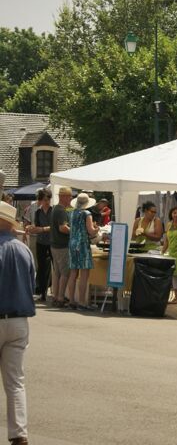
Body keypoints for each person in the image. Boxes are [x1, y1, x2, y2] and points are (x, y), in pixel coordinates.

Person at [0, 200, 36, 445]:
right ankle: (19, 434)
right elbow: (32, 283)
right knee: (15, 382)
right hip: (19, 318)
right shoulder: (24, 250)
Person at [65, 193, 100, 311]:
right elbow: (91, 231)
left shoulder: (72, 212)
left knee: (73, 273)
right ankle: (82, 302)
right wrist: (97, 229)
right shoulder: (87, 213)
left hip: (72, 243)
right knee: (84, 274)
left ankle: (71, 301)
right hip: (83, 244)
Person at [26, 189, 53, 301]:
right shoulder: (37, 212)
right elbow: (36, 227)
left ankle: (54, 292)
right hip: (41, 242)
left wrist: (42, 229)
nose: (47, 202)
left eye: (48, 199)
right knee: (41, 268)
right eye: (44, 199)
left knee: (54, 267)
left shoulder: (54, 211)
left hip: (53, 242)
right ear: (40, 200)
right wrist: (31, 229)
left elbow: (55, 227)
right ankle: (42, 293)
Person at [50, 187, 73, 307]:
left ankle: (55, 296)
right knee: (65, 273)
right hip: (62, 245)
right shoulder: (61, 210)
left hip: (55, 245)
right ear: (63, 197)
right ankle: (60, 298)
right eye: (69, 196)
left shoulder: (56, 208)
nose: (71, 198)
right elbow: (62, 228)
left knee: (57, 272)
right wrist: (74, 231)